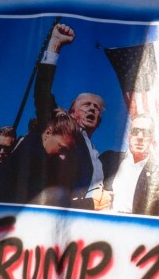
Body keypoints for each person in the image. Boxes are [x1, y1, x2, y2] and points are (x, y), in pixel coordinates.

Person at [34, 23, 108, 206]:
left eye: (96, 108)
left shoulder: (98, 155)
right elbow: (42, 96)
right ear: (72, 112)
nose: (92, 109)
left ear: (100, 119)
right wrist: (54, 46)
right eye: (86, 105)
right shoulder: (66, 133)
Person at [0, 112, 82, 206]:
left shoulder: (34, 145)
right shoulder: (33, 159)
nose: (63, 157)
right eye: (62, 149)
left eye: (67, 152)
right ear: (48, 133)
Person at [96, 114, 159, 217]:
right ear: (128, 136)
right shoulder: (108, 159)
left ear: (152, 139)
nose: (140, 137)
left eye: (146, 133)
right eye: (135, 131)